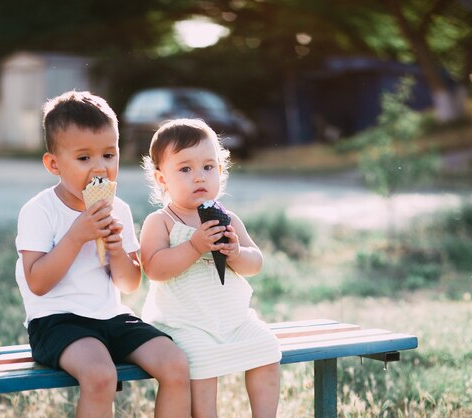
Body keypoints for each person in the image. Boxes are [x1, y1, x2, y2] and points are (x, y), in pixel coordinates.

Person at [15, 90, 191, 418]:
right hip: (55, 320)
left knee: (176, 364)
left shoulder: (117, 209)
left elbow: (129, 284)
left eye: (109, 155)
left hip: (110, 316)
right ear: (54, 164)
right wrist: (76, 236)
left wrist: (115, 249)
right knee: (100, 376)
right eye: (84, 158)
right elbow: (37, 283)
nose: (100, 168)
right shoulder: (40, 211)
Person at [140, 119, 282, 418]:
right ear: (162, 179)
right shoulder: (162, 221)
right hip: (182, 323)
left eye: (208, 167)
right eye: (185, 169)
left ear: (221, 170)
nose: (199, 177)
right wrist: (194, 246)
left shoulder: (227, 218)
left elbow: (255, 262)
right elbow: (153, 267)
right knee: (201, 361)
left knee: (267, 350)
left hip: (232, 319)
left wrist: (235, 253)